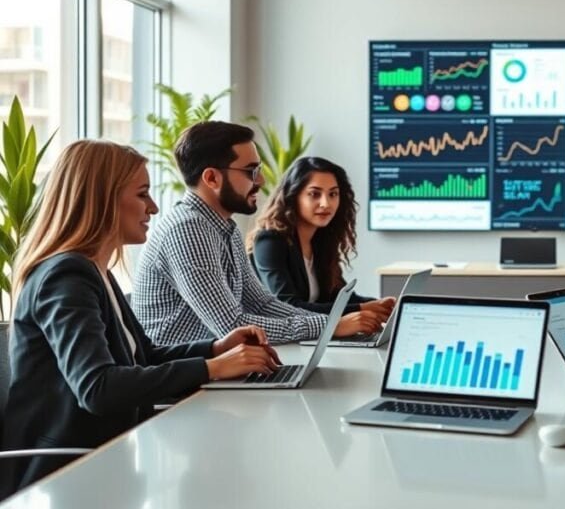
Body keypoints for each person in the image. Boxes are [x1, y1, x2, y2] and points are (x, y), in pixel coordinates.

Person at [1, 140, 281, 495]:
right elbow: (97, 388)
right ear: (102, 199)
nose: (153, 206)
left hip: (108, 457)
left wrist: (215, 349)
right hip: (62, 476)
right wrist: (212, 368)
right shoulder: (66, 277)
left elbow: (144, 357)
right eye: (142, 194)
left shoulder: (97, 271)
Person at [133, 122, 387, 345]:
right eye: (251, 171)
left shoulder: (224, 227)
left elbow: (263, 304)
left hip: (216, 365)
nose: (262, 181)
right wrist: (330, 326)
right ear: (211, 178)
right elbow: (233, 327)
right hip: (186, 375)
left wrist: (334, 323)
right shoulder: (188, 229)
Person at [247, 157, 395, 317]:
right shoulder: (270, 241)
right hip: (272, 332)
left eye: (333, 194)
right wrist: (361, 309)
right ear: (293, 196)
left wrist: (384, 305)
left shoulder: (321, 241)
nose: (326, 203)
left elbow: (341, 297)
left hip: (313, 332)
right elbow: (287, 307)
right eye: (314, 194)